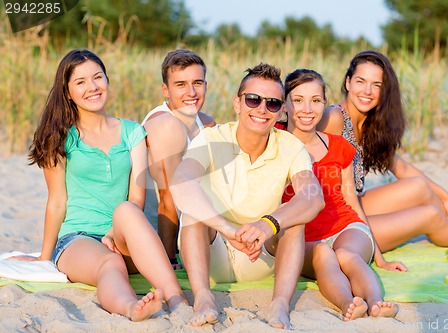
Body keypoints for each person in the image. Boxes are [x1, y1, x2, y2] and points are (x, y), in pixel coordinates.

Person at [8, 49, 187, 321]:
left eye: (97, 77)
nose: (92, 87)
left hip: (125, 237)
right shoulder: (60, 138)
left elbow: (136, 198)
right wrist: (45, 258)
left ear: (107, 80)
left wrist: (115, 232)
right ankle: (131, 307)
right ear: (67, 92)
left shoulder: (132, 132)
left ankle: (178, 300)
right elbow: (57, 202)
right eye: (80, 82)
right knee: (110, 262)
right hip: (78, 240)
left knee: (127, 210)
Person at [169, 63, 325, 329]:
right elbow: (181, 182)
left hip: (259, 253)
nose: (262, 109)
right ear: (238, 104)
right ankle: (204, 298)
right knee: (193, 212)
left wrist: (268, 224)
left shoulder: (290, 146)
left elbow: (313, 197)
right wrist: (227, 229)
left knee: (295, 218)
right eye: (253, 100)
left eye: (273, 103)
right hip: (212, 249)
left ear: (282, 110)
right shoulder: (211, 138)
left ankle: (279, 305)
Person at [317, 50, 448, 252]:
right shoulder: (334, 117)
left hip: (353, 204)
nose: (367, 91)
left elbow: (401, 167)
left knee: (419, 187)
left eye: (376, 85)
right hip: (333, 222)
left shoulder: (369, 124)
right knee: (429, 215)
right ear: (348, 82)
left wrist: (443, 193)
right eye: (361, 81)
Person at [281, 68, 406, 320]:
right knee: (325, 256)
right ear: (284, 105)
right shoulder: (275, 144)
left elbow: (351, 201)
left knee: (347, 255)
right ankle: (348, 303)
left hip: (345, 226)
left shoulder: (339, 146)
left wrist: (379, 258)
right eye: (298, 100)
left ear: (325, 104)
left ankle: (376, 302)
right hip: (304, 238)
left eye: (316, 100)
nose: (307, 109)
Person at [141, 49, 215, 269]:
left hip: (192, 229)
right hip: (157, 237)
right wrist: (170, 259)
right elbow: (168, 197)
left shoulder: (206, 123)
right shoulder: (165, 124)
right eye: (180, 84)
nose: (191, 92)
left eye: (197, 83)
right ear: (166, 90)